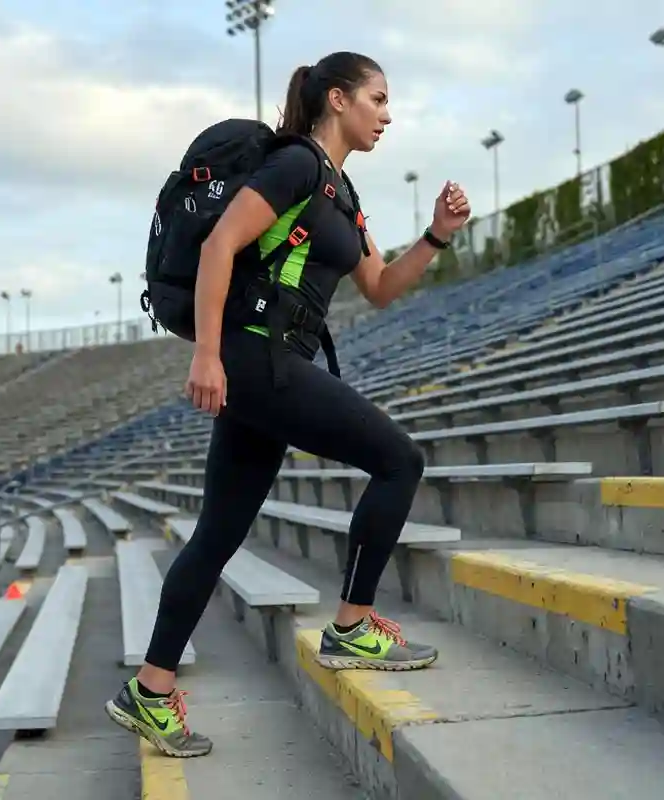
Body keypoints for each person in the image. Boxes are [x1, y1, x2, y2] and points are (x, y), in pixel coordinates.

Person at [105, 51, 471, 758]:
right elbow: (220, 245)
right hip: (255, 357)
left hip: (271, 365)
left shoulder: (343, 194)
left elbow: (381, 285)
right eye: (379, 99)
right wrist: (207, 353)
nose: (388, 115)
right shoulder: (297, 166)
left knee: (219, 532)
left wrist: (436, 237)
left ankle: (150, 691)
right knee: (400, 461)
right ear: (338, 100)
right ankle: (353, 624)